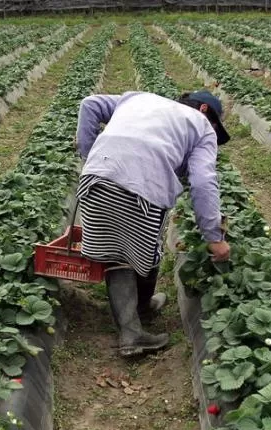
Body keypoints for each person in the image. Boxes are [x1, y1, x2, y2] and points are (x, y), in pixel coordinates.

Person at [75, 89, 232, 357]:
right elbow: (204, 182)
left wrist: (90, 156)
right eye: (217, 125)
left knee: (115, 254)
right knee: (147, 251)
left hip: (95, 179)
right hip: (144, 188)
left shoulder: (138, 98)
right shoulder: (202, 127)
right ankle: (137, 323)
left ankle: (136, 321)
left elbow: (90, 104)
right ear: (205, 110)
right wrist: (214, 237)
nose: (215, 134)